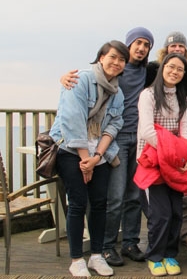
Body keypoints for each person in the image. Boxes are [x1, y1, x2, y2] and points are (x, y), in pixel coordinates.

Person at [60, 27, 155, 266]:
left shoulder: (149, 71)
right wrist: (64, 79)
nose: (142, 48)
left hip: (139, 138)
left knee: (134, 194)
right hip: (114, 140)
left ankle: (130, 242)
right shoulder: (111, 73)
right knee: (114, 196)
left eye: (147, 45)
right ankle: (106, 246)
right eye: (138, 43)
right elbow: (81, 89)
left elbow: (179, 73)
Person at [50, 40, 129, 277]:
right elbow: (72, 121)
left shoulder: (117, 91)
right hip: (71, 150)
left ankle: (96, 256)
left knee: (99, 204)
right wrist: (86, 161)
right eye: (112, 57)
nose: (116, 63)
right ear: (101, 57)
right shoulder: (80, 79)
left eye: (121, 60)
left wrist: (97, 157)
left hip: (99, 154)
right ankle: (76, 259)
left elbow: (115, 124)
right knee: (77, 203)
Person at [136, 52, 187, 276]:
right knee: (160, 213)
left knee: (176, 211)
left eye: (180, 69)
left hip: (175, 160)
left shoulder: (183, 97)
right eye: (170, 67)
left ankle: (170, 254)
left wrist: (185, 157)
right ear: (162, 68)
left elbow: (185, 130)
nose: (174, 71)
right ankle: (155, 256)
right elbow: (147, 131)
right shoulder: (148, 95)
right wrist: (170, 153)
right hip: (153, 159)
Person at [146, 31, 187, 248]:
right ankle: (156, 250)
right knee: (160, 208)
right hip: (156, 149)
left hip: (182, 145)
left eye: (181, 46)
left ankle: (178, 239)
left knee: (181, 199)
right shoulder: (152, 78)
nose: (177, 49)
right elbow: (147, 128)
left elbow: (186, 121)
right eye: (173, 46)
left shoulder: (186, 87)